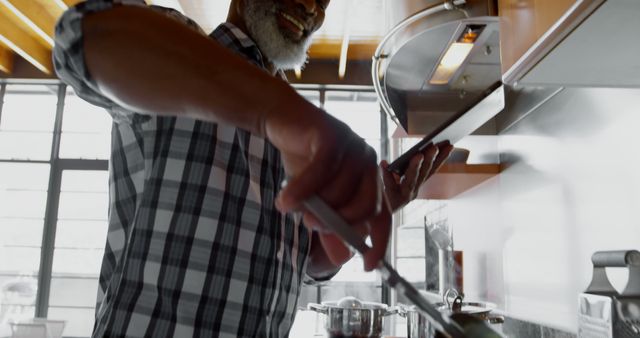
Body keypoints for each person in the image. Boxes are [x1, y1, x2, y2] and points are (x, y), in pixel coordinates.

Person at [53, 0, 452, 336]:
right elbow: (81, 37)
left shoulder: (292, 126)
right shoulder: (182, 51)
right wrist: (282, 112)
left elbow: (302, 268)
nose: (313, 6)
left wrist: (357, 220)